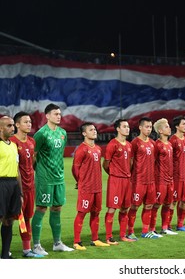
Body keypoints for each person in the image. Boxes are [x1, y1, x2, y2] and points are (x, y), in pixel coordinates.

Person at [31, 103, 74, 256]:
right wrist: (40, 172)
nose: (59, 116)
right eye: (55, 114)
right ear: (47, 116)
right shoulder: (41, 134)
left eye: (60, 114)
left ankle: (57, 243)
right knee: (41, 208)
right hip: (45, 178)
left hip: (59, 178)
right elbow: (33, 156)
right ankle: (36, 245)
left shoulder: (63, 133)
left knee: (57, 208)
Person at [10, 112, 43, 258]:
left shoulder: (31, 142)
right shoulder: (11, 142)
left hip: (30, 187)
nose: (29, 124)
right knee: (9, 218)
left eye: (30, 122)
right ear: (17, 125)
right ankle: (6, 249)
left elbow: (33, 162)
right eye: (25, 122)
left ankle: (26, 249)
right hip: (16, 188)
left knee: (27, 218)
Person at [72, 122, 110, 250]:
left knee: (96, 213)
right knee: (82, 213)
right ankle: (77, 242)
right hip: (86, 188)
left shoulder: (98, 149)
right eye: (91, 130)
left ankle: (95, 239)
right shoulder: (82, 149)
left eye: (95, 129)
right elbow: (75, 168)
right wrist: (80, 181)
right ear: (84, 133)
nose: (94, 131)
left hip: (97, 187)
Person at [126, 117, 160, 239]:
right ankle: (130, 232)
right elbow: (130, 161)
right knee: (134, 206)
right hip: (138, 181)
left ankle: (145, 232)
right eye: (146, 126)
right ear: (140, 127)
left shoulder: (153, 143)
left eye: (150, 127)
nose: (149, 129)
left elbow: (154, 160)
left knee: (149, 206)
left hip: (151, 181)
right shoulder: (135, 143)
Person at [103, 119, 133, 245]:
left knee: (125, 208)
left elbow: (130, 163)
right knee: (112, 208)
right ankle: (109, 237)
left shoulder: (129, 145)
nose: (127, 129)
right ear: (118, 129)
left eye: (128, 126)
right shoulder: (112, 144)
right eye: (124, 126)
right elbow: (105, 164)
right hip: (116, 180)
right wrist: (114, 174)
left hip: (127, 180)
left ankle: (123, 235)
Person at [150, 118, 177, 235]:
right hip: (160, 180)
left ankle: (165, 228)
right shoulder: (157, 145)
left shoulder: (170, 144)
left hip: (170, 180)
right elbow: (152, 162)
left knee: (167, 204)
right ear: (160, 131)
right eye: (166, 127)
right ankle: (152, 229)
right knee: (156, 204)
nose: (169, 128)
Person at [0, 116, 22, 259]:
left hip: (13, 185)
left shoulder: (13, 145)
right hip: (0, 183)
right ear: (1, 128)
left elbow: (17, 169)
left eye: (13, 125)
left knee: (9, 220)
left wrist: (20, 192)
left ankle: (5, 255)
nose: (12, 128)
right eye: (9, 126)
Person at [168, 116, 185, 231]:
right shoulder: (173, 140)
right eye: (183, 124)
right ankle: (168, 225)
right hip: (176, 176)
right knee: (173, 200)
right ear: (177, 126)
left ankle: (180, 224)